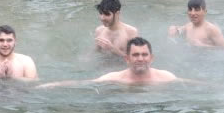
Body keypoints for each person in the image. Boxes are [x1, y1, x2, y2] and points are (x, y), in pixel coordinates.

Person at [37, 37, 177, 87]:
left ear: (151, 58)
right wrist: (54, 84)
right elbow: (84, 83)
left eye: (144, 54)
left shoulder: (165, 77)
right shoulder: (115, 78)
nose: (140, 58)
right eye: (135, 55)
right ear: (127, 59)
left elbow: (187, 84)